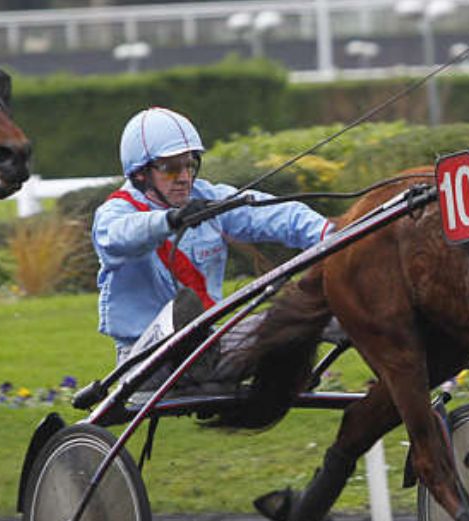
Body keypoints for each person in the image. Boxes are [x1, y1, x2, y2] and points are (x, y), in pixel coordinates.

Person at [92, 106, 333, 389]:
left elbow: (276, 214)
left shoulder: (207, 197)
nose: (184, 177)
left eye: (189, 165)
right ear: (141, 174)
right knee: (191, 319)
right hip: (144, 360)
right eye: (170, 168)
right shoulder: (115, 213)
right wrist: (171, 220)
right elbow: (120, 237)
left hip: (209, 345)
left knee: (310, 311)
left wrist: (332, 234)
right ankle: (211, 366)